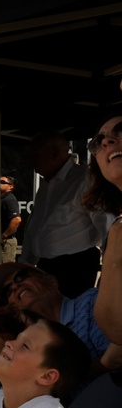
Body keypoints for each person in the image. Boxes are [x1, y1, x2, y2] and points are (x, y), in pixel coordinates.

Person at [20, 131, 112, 297]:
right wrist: (24, 266)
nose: (31, 161)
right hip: (45, 266)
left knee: (70, 318)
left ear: (54, 154)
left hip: (75, 267)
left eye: (35, 155)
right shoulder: (47, 185)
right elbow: (35, 227)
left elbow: (106, 226)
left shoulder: (85, 179)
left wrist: (110, 269)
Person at [0, 261, 121, 371]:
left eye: (20, 277)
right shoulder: (23, 340)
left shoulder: (90, 303)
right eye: (7, 290)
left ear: (51, 281)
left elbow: (116, 359)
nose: (15, 286)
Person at [83, 112, 122, 343]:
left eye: (120, 131)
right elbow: (114, 328)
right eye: (98, 141)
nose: (106, 141)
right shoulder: (115, 231)